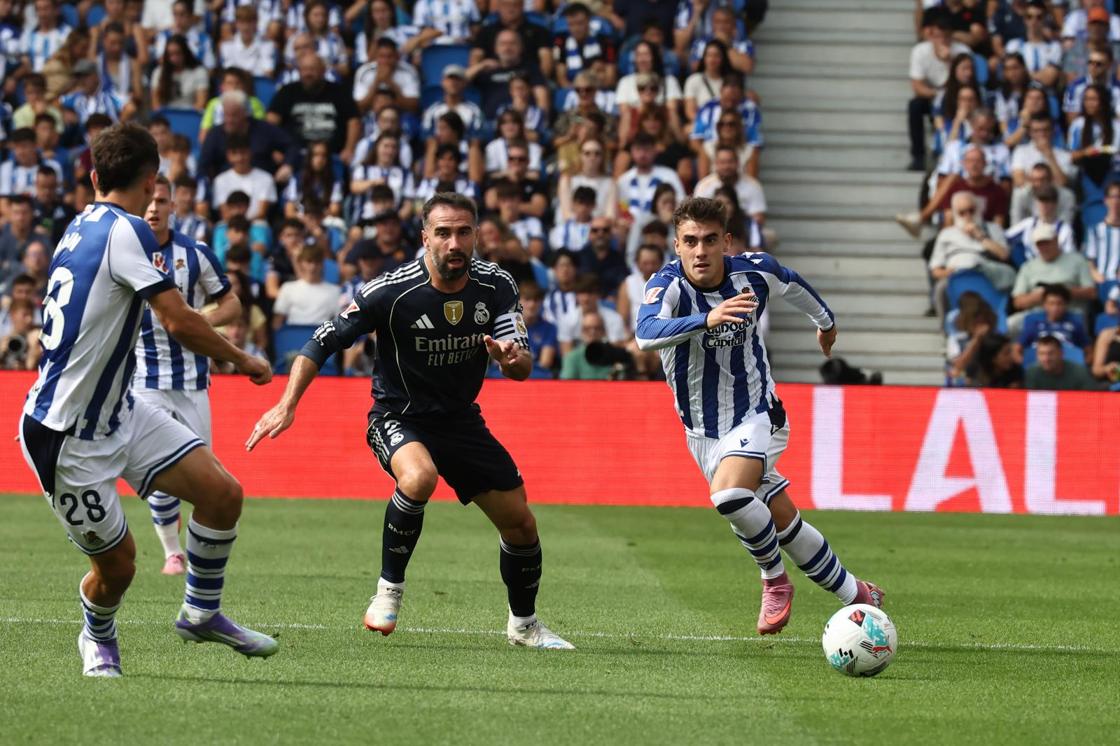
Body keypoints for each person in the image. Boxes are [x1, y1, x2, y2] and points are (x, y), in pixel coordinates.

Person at [247, 193, 574, 650]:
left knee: (521, 525)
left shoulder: (497, 285)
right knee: (419, 477)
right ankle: (388, 592)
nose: (454, 243)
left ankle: (524, 627)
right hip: (397, 416)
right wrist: (287, 404)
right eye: (443, 233)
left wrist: (510, 359)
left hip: (461, 422)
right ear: (425, 238)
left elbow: (520, 365)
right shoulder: (390, 291)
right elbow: (321, 341)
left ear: (476, 236)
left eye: (463, 232)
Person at [17, 123, 277, 678]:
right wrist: (245, 359)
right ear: (151, 181)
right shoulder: (128, 229)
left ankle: (200, 612)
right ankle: (96, 636)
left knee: (222, 495)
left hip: (119, 411)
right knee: (119, 568)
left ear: (93, 178)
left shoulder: (79, 224)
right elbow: (178, 320)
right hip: (66, 436)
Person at [634, 197, 883, 636]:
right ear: (676, 245)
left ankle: (774, 581)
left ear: (726, 242)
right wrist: (707, 318)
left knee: (728, 496)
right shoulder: (667, 286)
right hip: (701, 433)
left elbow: (792, 283)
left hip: (758, 414)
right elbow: (645, 333)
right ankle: (856, 593)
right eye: (690, 241)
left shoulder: (752, 273)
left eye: (710, 240)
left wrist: (826, 324)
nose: (700, 251)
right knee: (781, 520)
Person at [133, 175, 242, 575]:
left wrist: (200, 320)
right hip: (144, 381)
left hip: (193, 383)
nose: (154, 208)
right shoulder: (126, 252)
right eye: (149, 200)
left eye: (162, 201)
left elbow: (231, 304)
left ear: (173, 207)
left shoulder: (195, 253)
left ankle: (197, 555)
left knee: (204, 476)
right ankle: (171, 553)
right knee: (159, 469)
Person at [1024, 334, 1103, 390]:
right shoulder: (1032, 373)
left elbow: (1091, 397)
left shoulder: (1080, 372)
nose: (1046, 359)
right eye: (1041, 354)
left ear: (1061, 354)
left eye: (1050, 353)